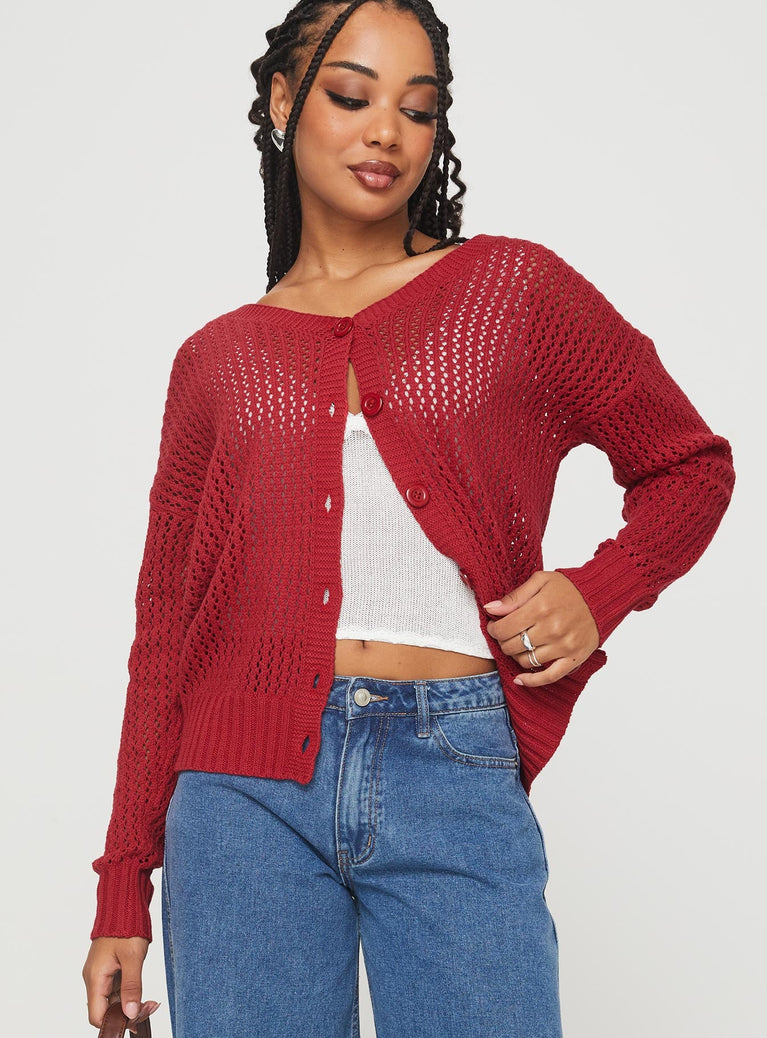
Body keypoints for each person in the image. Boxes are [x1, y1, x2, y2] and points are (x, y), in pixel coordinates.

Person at [82, 1, 736, 1035]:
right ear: (283, 102)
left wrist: (597, 590)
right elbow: (165, 629)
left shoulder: (509, 290)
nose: (386, 130)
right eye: (351, 96)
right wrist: (123, 885)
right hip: (239, 795)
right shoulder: (216, 360)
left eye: (418, 109)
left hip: (454, 763)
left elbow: (687, 465)